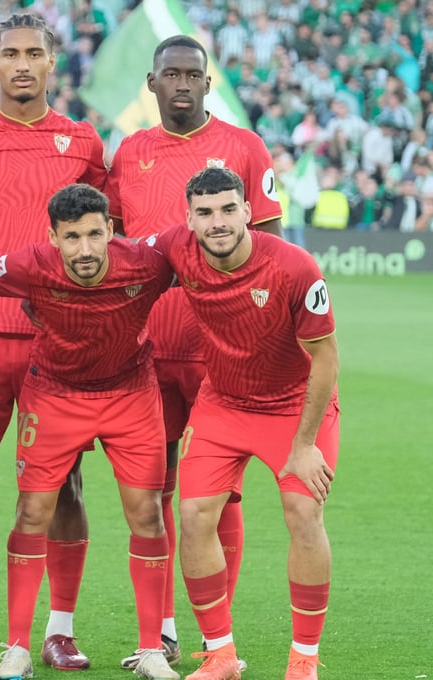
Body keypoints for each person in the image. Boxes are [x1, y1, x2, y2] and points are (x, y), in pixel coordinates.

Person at [0, 184, 179, 680]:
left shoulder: (148, 263)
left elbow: (208, 259)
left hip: (130, 395)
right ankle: (17, 648)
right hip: (54, 395)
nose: (85, 249)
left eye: (94, 234)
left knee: (147, 513)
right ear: (53, 237)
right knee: (33, 511)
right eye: (72, 238)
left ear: (110, 229)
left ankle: (150, 650)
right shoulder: (31, 264)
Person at [106, 35, 282, 671]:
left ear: (208, 83)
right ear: (151, 84)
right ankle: (160, 633)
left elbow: (272, 247)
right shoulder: (129, 152)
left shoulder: (244, 147)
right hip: (147, 350)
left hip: (220, 353)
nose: (181, 83)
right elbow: (117, 247)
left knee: (219, 496)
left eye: (192, 75)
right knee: (153, 489)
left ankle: (217, 641)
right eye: (170, 74)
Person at [0, 14, 107, 672]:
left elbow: (102, 232)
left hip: (54, 341)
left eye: (35, 53)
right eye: (10, 53)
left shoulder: (82, 140)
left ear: (52, 62)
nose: (22, 64)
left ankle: (59, 630)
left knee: (64, 486)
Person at [148, 167, 338, 680]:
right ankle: (221, 656)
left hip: (294, 406)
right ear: (189, 219)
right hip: (224, 402)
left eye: (229, 209)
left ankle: (304, 660)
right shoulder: (175, 248)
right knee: (194, 516)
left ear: (249, 212)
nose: (218, 222)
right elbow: (121, 260)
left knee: (303, 514)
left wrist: (304, 445)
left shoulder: (295, 267)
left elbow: (326, 360)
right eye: (206, 212)